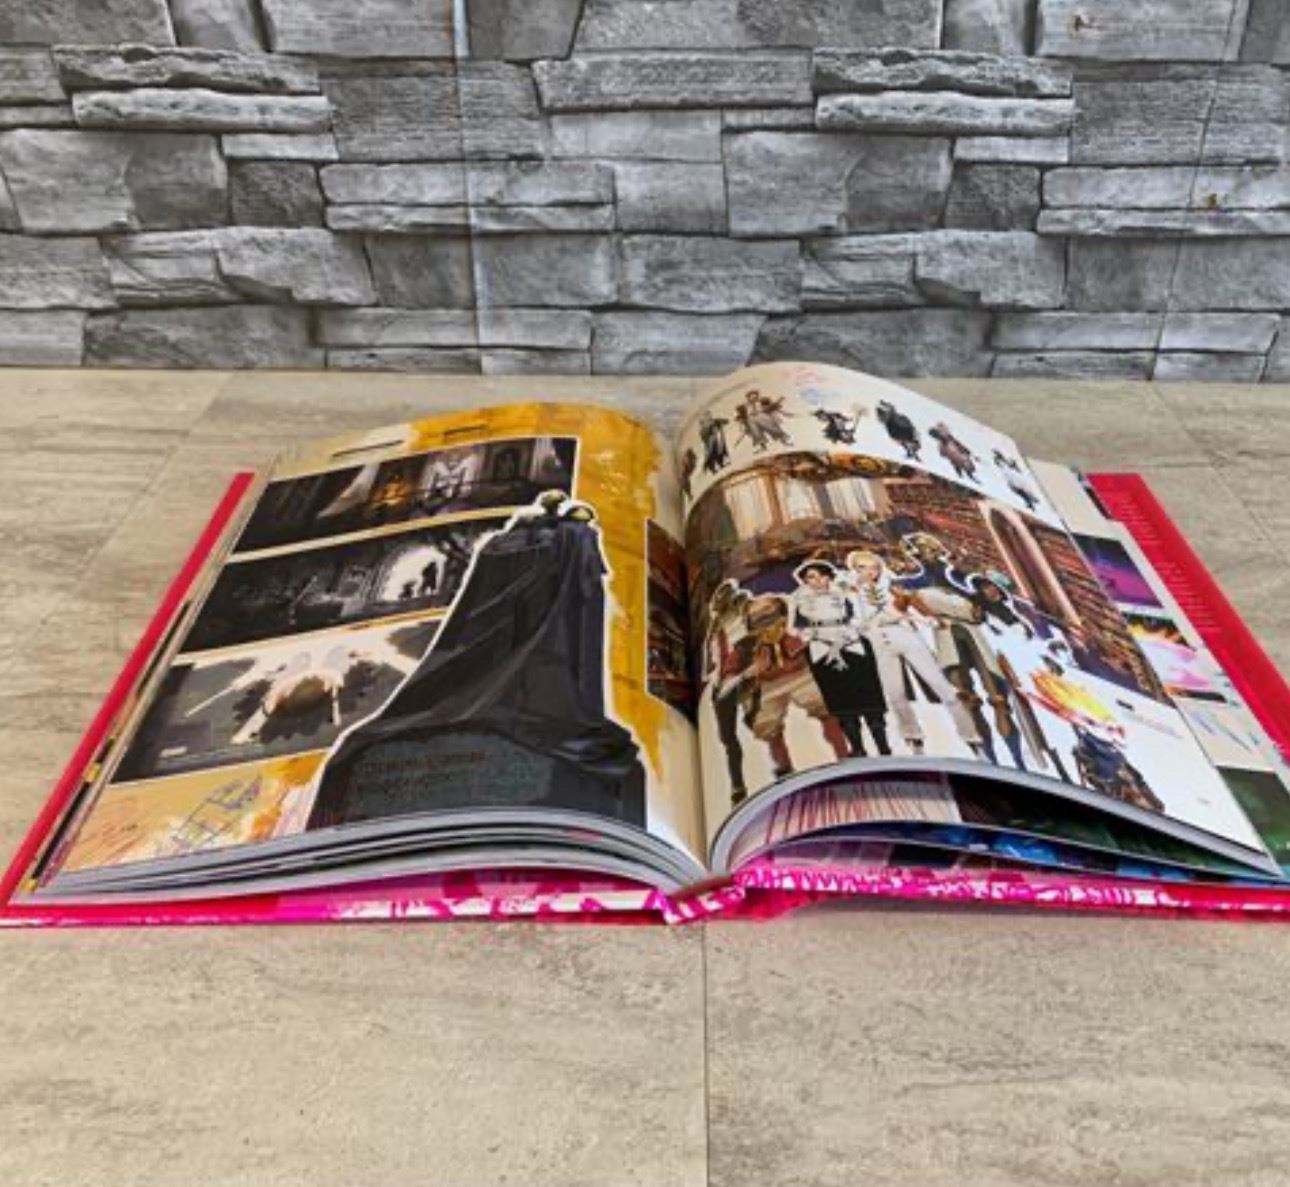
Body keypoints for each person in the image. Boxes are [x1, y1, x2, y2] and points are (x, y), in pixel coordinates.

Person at [843, 550, 982, 756]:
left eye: (874, 567)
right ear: (854, 569)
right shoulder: (849, 593)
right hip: (878, 643)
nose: (869, 572)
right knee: (895, 694)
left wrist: (922, 618)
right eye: (862, 567)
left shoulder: (892, 587)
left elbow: (908, 607)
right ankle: (913, 737)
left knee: (940, 684)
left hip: (904, 636)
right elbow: (856, 622)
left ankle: (971, 736)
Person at [742, 591, 851, 779]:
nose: (766, 625)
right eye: (759, 620)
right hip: (770, 684)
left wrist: (787, 665)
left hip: (800, 676)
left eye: (769, 617)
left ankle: (843, 754)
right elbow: (754, 669)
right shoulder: (756, 647)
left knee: (826, 710)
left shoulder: (794, 635)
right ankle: (784, 768)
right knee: (767, 725)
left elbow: (804, 655)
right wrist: (759, 671)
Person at [789, 560, 889, 758]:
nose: (818, 580)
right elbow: (793, 628)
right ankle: (858, 748)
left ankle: (883, 747)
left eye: (822, 575)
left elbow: (861, 617)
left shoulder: (845, 592)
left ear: (829, 577)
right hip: (821, 648)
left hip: (851, 642)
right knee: (839, 699)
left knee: (868, 693)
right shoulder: (798, 599)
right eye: (811, 577)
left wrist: (846, 636)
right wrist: (813, 636)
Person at [703, 580, 753, 805]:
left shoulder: (742, 611)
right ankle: (737, 785)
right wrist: (713, 677)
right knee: (727, 738)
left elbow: (746, 644)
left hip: (742, 675)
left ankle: (739, 785)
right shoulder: (714, 629)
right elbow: (711, 658)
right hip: (721, 682)